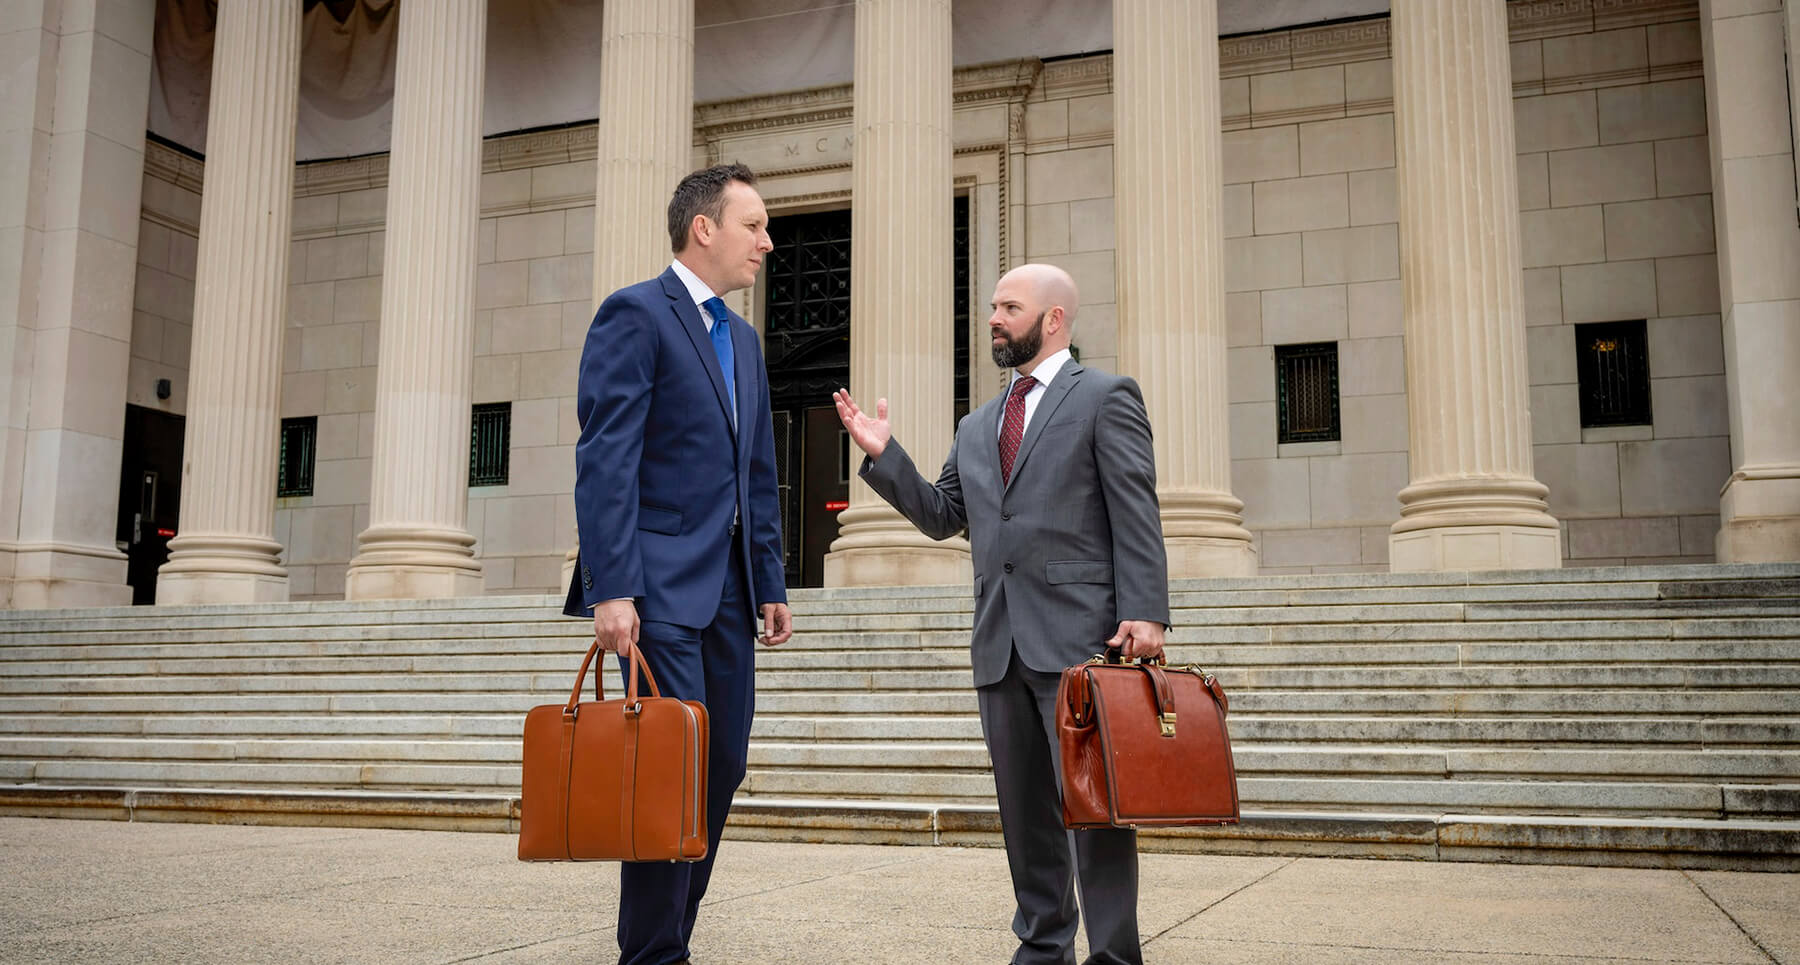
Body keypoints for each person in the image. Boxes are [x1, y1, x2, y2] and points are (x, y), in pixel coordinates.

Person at [833, 263, 1170, 965]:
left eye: (1008, 306)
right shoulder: (978, 422)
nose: (993, 317)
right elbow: (942, 515)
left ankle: (1112, 954)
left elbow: (1135, 508)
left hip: (1083, 641)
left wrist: (1145, 610)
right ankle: (1043, 947)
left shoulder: (1106, 397)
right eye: (991, 305)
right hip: (1000, 646)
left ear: (1053, 318)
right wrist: (883, 456)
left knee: (1096, 812)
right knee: (1025, 816)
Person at [565, 162, 793, 965]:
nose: (767, 241)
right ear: (706, 228)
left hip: (731, 592)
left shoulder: (744, 339)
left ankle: (667, 938)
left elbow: (756, 471)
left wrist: (770, 580)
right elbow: (606, 461)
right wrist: (612, 586)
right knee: (669, 769)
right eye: (754, 224)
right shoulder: (635, 315)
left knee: (722, 763)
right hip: (657, 590)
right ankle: (654, 953)